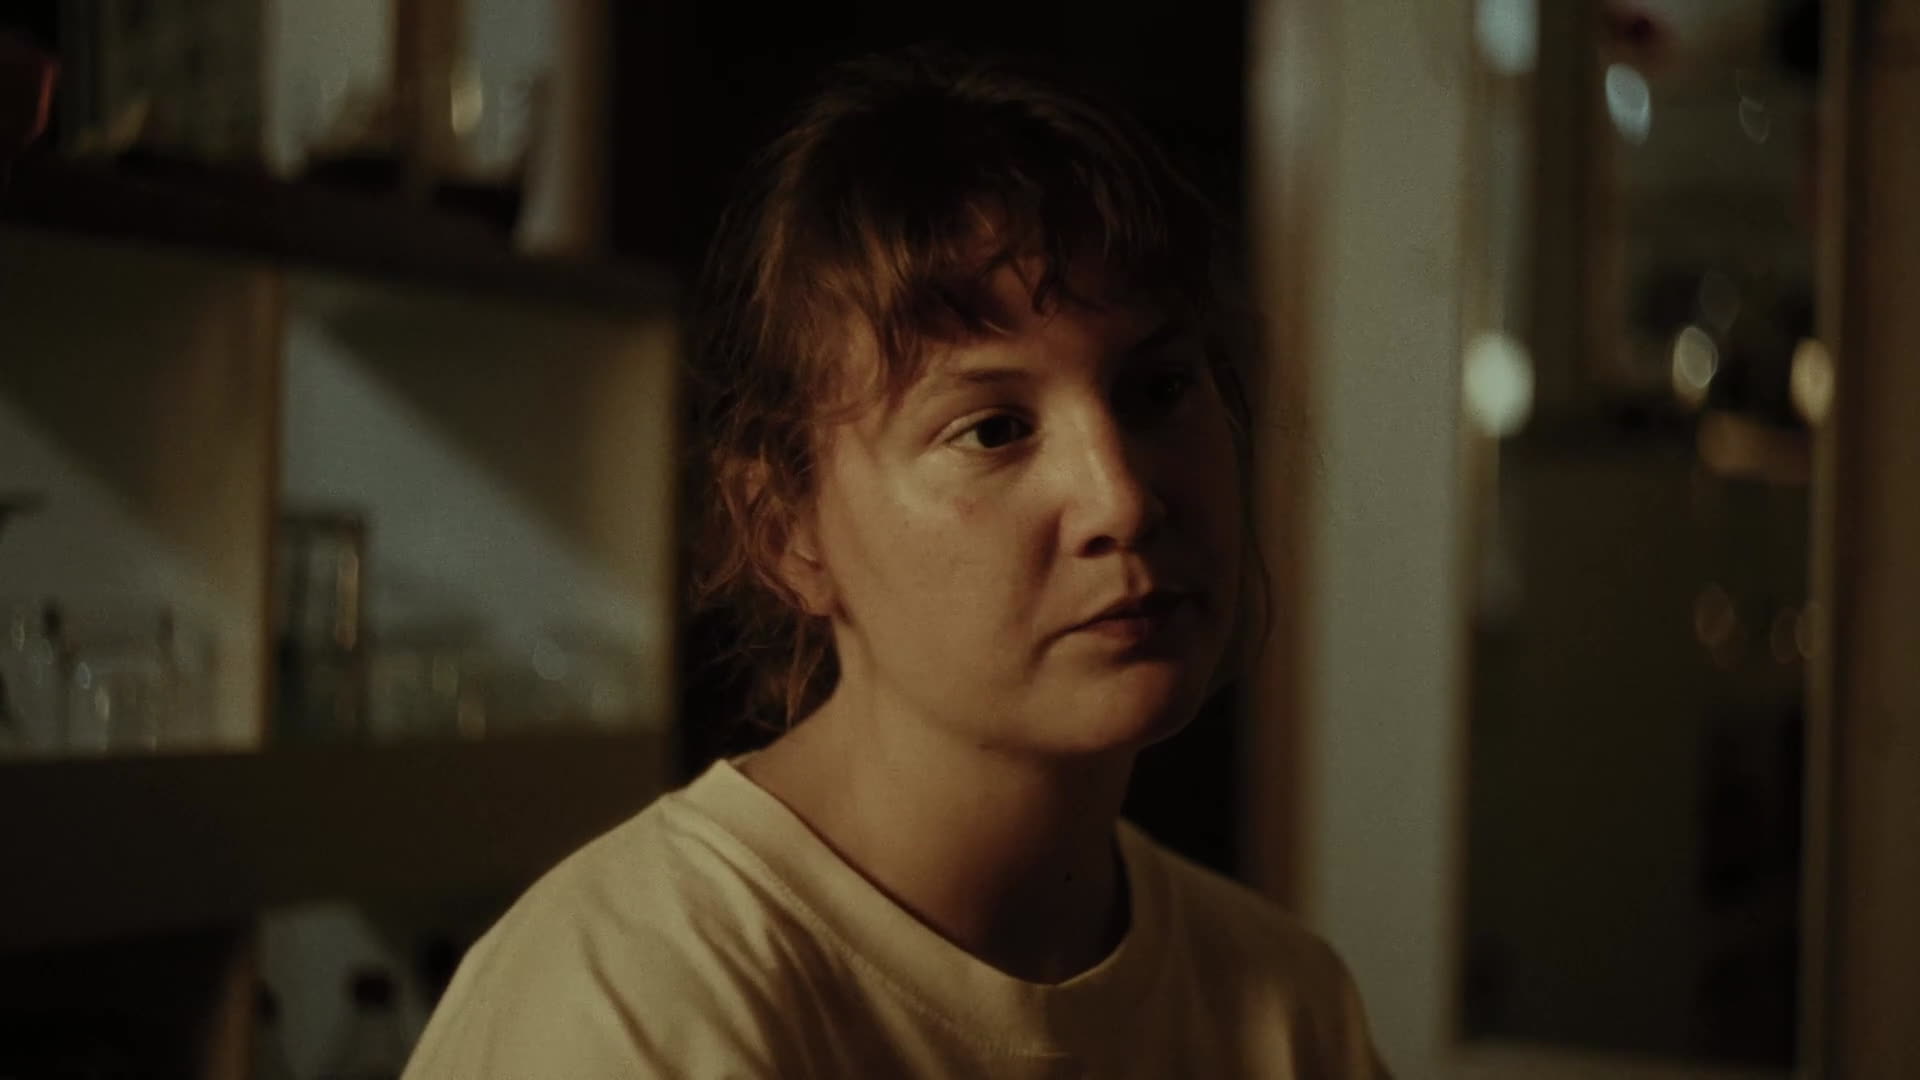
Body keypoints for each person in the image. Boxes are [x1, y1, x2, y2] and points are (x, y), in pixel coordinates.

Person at [403, 45, 1389, 1078]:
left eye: (1158, 390)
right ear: (785, 531)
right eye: (993, 428)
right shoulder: (635, 1006)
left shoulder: (1286, 1007)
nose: (1123, 498)